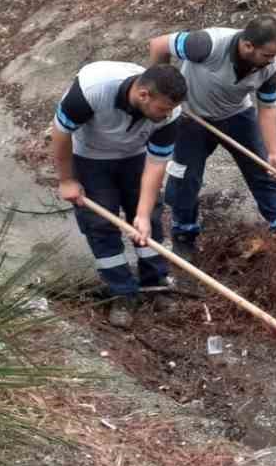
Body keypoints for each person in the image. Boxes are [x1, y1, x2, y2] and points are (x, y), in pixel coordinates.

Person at [52, 61, 186, 329]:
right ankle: (122, 292)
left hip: (134, 157)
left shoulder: (169, 113)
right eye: (161, 109)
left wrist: (143, 214)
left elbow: (156, 164)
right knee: (100, 224)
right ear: (143, 95)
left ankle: (155, 281)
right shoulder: (93, 89)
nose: (165, 115)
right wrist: (67, 180)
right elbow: (60, 132)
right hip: (89, 156)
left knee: (150, 221)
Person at [147, 14, 276, 259]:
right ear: (247, 46)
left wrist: (275, 153)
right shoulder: (207, 44)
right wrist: (162, 94)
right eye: (267, 55)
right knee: (184, 179)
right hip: (192, 118)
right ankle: (185, 234)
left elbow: (267, 109)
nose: (272, 61)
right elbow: (158, 45)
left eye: (274, 56)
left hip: (237, 115)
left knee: (263, 169)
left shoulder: (270, 68)